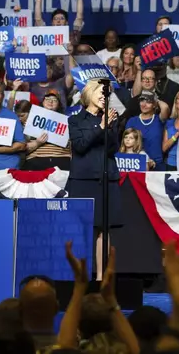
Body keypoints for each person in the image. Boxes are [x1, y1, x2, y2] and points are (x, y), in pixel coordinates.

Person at [66, 79, 120, 280]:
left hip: (106, 179)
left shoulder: (112, 118)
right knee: (83, 230)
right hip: (83, 180)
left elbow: (112, 149)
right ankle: (81, 278)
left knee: (103, 231)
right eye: (100, 92)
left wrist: (108, 125)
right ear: (89, 93)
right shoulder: (75, 120)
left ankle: (101, 278)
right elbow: (80, 145)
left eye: (107, 94)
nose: (104, 97)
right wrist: (101, 126)